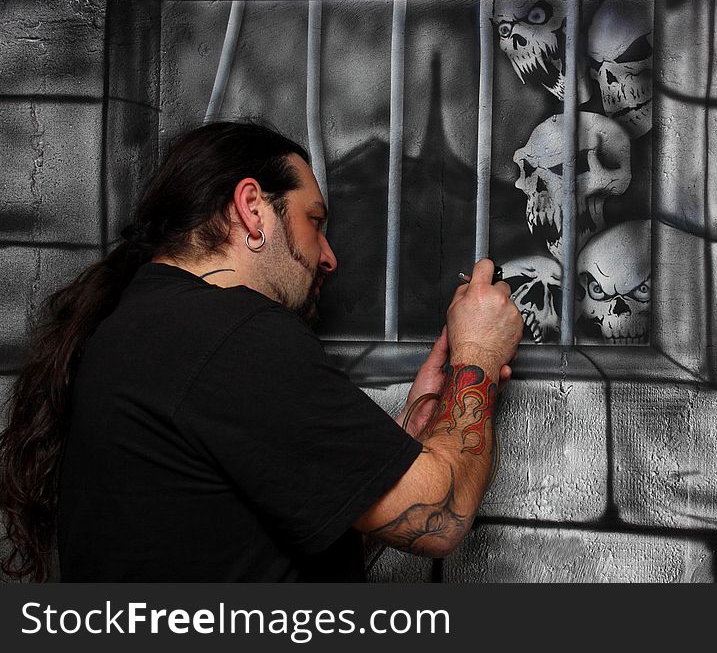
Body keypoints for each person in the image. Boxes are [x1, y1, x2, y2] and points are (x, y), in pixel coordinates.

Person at [0, 121, 523, 581]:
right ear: (253, 209)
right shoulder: (234, 333)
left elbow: (244, 555)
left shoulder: (145, 321)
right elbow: (440, 520)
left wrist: (407, 439)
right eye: (315, 222)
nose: (329, 257)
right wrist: (476, 351)